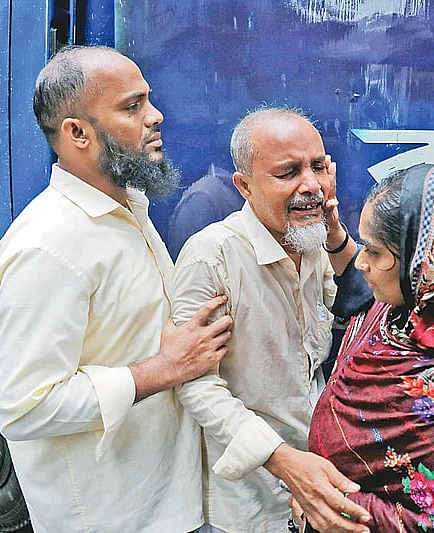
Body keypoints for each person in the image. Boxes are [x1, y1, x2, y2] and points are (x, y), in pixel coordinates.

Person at [0, 46, 233, 533]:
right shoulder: (47, 249)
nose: (156, 117)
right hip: (110, 516)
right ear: (77, 133)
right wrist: (165, 369)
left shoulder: (129, 205)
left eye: (148, 101)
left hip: (168, 498)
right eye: (131, 107)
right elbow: (25, 407)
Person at [171, 107, 372, 533]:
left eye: (319, 167)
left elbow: (363, 306)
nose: (312, 186)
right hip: (246, 501)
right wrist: (283, 460)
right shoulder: (213, 256)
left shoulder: (313, 240)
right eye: (288, 173)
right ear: (244, 185)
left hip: (317, 478)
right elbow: (195, 383)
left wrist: (334, 232)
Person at [301, 164, 434, 532]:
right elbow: (359, 291)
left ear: (426, 265)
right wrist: (334, 234)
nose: (362, 262)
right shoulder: (397, 315)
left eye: (373, 250)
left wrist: (329, 502)